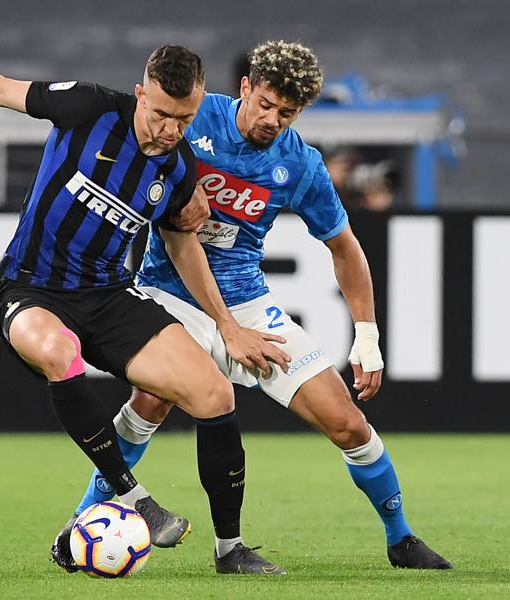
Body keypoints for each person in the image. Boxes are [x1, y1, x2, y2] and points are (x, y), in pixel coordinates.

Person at [0, 33, 291, 574]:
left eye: (185, 120)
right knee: (56, 350)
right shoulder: (89, 107)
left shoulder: (178, 166)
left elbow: (180, 241)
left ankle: (230, 550)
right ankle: (129, 494)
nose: (171, 131)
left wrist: (226, 327)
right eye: (163, 115)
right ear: (140, 93)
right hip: (32, 290)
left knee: (215, 394)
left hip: (108, 295)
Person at [56, 40, 452, 573]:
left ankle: (401, 537)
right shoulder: (197, 118)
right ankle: (81, 521)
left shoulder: (301, 165)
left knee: (348, 423)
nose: (272, 119)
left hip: (247, 300)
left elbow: (345, 248)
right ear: (245, 87)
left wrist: (367, 336)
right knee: (151, 401)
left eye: (286, 113)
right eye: (264, 104)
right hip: (166, 289)